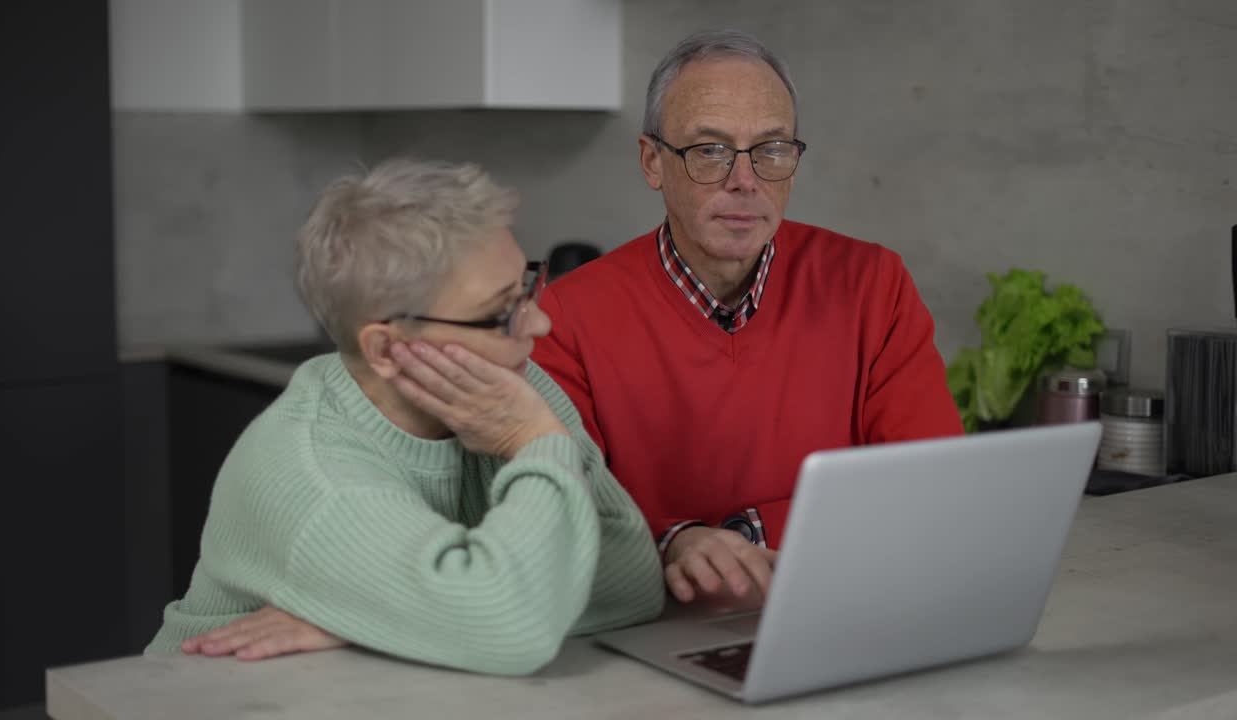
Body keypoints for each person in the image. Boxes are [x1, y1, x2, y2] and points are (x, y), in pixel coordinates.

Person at [145, 158, 664, 673]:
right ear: (387, 349)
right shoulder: (316, 475)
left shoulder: (514, 388)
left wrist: (399, 621)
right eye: (501, 312)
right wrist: (534, 443)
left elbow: (633, 583)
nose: (541, 325)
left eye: (526, 288)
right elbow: (516, 631)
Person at [530, 30, 964, 606]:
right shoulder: (562, 316)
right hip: (654, 634)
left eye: (771, 148)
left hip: (847, 608)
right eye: (710, 150)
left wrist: (741, 535)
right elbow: (558, 521)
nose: (745, 180)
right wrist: (674, 544)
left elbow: (931, 489)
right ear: (652, 162)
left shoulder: (873, 284)